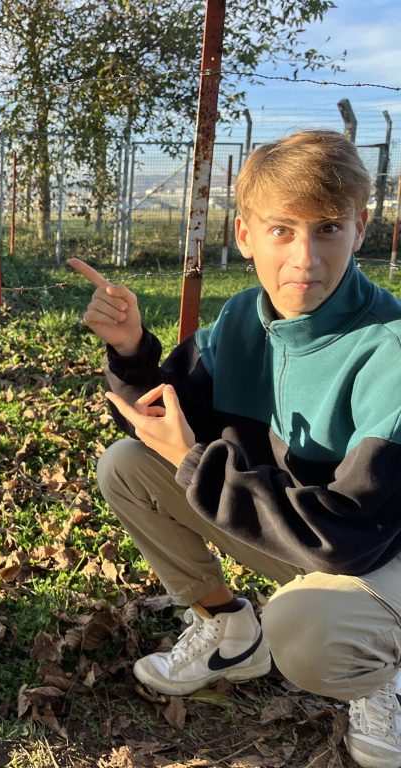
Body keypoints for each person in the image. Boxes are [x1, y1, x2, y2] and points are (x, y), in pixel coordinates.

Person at [70, 129, 401, 768]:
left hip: (378, 551)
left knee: (306, 627)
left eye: (328, 229)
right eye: (282, 230)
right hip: (304, 532)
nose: (305, 258)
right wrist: (131, 348)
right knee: (128, 467)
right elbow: (167, 415)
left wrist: (194, 461)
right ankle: (228, 631)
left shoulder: (389, 349)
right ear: (245, 234)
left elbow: (351, 537)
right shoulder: (245, 319)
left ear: (360, 229)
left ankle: (380, 675)